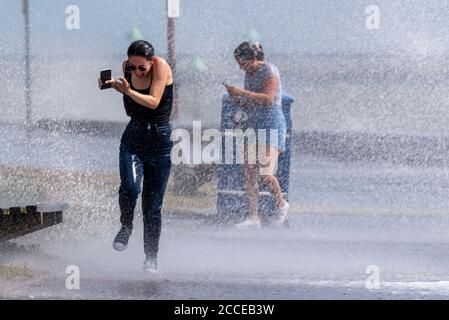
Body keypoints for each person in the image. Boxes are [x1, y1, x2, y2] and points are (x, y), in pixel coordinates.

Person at [101, 40, 174, 272]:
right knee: (130, 187)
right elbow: (130, 100)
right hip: (134, 136)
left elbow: (153, 102)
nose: (135, 71)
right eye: (132, 67)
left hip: (159, 139)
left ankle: (151, 258)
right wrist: (112, 85)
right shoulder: (128, 67)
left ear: (151, 62)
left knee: (152, 207)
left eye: (141, 68)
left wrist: (128, 90)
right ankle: (126, 226)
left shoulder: (161, 67)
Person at [224, 41, 289, 229]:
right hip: (254, 125)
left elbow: (268, 99)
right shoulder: (249, 73)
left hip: (272, 124)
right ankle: (254, 217)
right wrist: (237, 98)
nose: (241, 67)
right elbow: (251, 102)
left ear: (253, 58)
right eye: (239, 64)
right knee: (250, 173)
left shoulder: (269, 70)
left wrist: (241, 92)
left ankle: (282, 204)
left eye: (243, 63)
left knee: (266, 174)